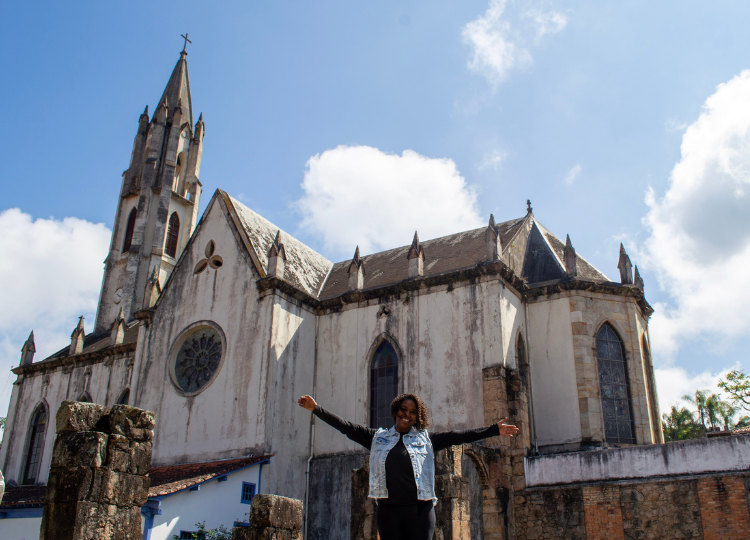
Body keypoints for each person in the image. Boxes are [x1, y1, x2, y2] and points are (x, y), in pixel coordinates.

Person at [297, 393, 519, 540]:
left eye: (412, 412)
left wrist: (493, 430)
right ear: (396, 410)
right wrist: (316, 409)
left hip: (419, 511)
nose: (407, 414)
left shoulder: (426, 440)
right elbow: (346, 427)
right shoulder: (377, 438)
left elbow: (459, 436)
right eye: (404, 409)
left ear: (417, 417)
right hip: (388, 510)